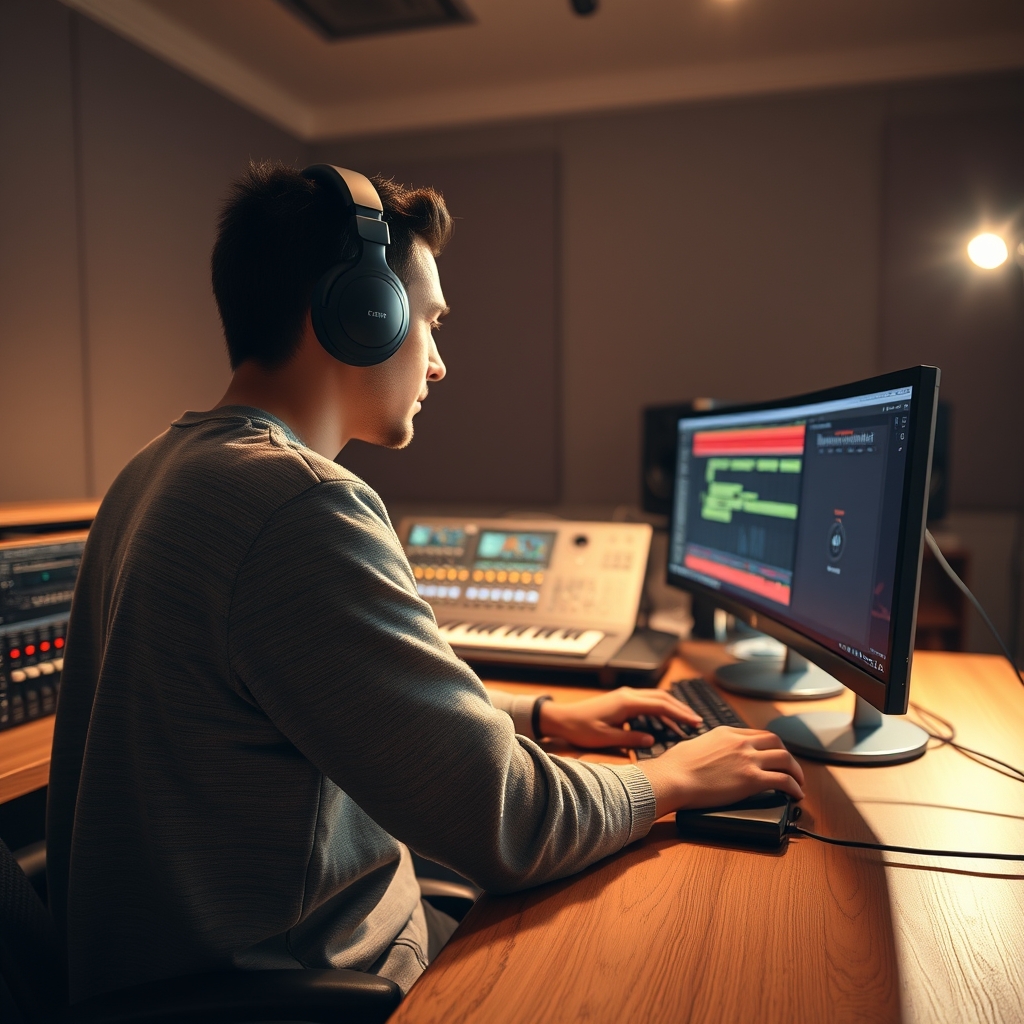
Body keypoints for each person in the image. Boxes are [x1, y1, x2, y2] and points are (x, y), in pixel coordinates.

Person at [47, 162, 804, 1003]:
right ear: (360, 314)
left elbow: (340, 698)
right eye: (429, 324)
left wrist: (546, 714)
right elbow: (512, 821)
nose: (438, 364)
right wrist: (673, 778)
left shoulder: (158, 467)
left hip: (186, 958)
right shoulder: (297, 503)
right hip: (298, 979)